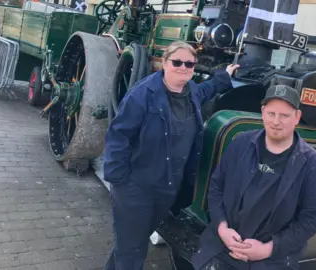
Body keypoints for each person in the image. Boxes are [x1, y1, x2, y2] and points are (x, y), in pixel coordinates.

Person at [102, 41, 240, 270]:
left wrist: (224, 75)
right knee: (132, 250)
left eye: (189, 63)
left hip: (165, 189)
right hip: (136, 189)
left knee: (131, 243)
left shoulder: (192, 92)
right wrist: (119, 180)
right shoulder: (143, 94)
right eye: (177, 62)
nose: (183, 67)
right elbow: (118, 136)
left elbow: (208, 89)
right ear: (164, 63)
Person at [192, 85, 316, 270]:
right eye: (271, 113)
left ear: (297, 117)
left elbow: (311, 219)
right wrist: (222, 228)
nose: (276, 121)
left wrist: (269, 249)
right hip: (222, 249)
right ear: (262, 112)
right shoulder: (240, 144)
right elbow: (216, 187)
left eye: (284, 115)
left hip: (271, 261)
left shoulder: (311, 164)